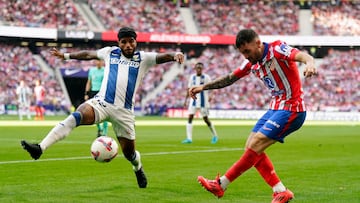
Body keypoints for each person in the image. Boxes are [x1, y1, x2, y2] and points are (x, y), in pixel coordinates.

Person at [21, 27, 184, 188]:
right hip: (102, 103)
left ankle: (137, 168)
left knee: (130, 154)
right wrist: (66, 55)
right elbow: (87, 54)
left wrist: (175, 55)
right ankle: (40, 148)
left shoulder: (143, 58)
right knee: (76, 116)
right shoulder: (110, 52)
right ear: (118, 43)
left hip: (124, 113)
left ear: (136, 42)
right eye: (124, 42)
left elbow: (162, 57)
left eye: (131, 41)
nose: (128, 45)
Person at [191, 29, 316, 203]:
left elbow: (302, 56)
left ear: (258, 43)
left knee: (256, 144)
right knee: (250, 146)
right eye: (243, 53)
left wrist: (309, 63)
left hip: (292, 108)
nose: (246, 56)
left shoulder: (277, 49)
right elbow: (229, 78)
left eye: (247, 51)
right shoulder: (250, 63)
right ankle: (280, 191)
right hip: (275, 107)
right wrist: (203, 87)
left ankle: (221, 184)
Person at [182, 62, 218, 144]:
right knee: (190, 117)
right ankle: (189, 138)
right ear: (195, 69)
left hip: (203, 102)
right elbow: (188, 89)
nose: (199, 69)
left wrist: (211, 95)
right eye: (197, 68)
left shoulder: (206, 77)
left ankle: (215, 135)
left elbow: (213, 86)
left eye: (200, 68)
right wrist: (185, 101)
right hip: (193, 101)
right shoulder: (192, 77)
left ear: (202, 69)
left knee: (206, 119)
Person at [84, 59, 108, 137]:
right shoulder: (92, 70)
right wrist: (86, 93)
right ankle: (99, 128)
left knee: (105, 112)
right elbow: (89, 82)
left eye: (100, 61)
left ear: (102, 62)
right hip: (93, 92)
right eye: (97, 61)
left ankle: (105, 131)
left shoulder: (105, 70)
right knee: (94, 112)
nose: (98, 62)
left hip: (102, 93)